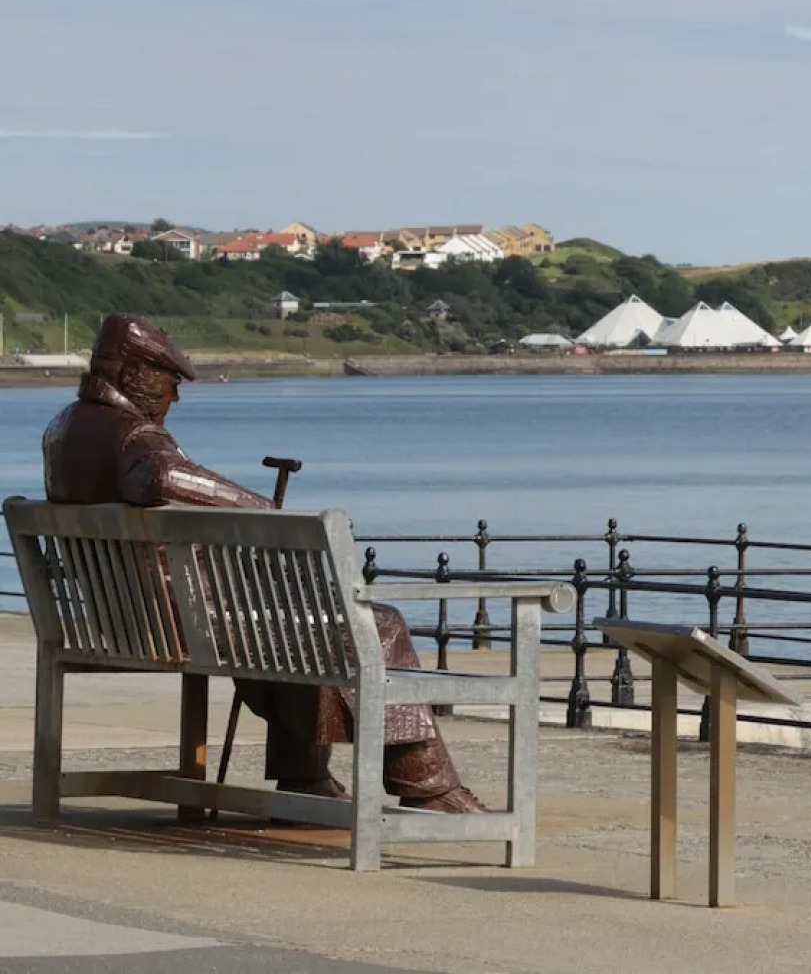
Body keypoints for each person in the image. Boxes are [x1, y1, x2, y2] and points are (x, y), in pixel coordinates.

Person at [41, 313, 484, 813]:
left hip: (118, 620)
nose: (174, 396)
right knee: (377, 625)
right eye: (169, 380)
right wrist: (264, 512)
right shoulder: (134, 435)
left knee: (301, 624)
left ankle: (305, 778)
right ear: (131, 373)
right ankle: (427, 787)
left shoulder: (64, 429)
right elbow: (160, 476)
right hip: (179, 626)